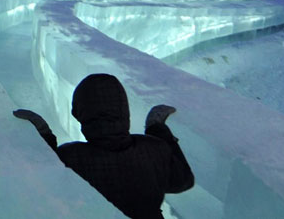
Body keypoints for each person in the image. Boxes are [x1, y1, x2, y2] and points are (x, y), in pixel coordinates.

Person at [13, 73, 194, 218]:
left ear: (79, 114)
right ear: (124, 110)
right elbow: (182, 181)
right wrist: (157, 129)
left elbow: (42, 185)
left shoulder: (70, 157)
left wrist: (44, 136)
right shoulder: (154, 148)